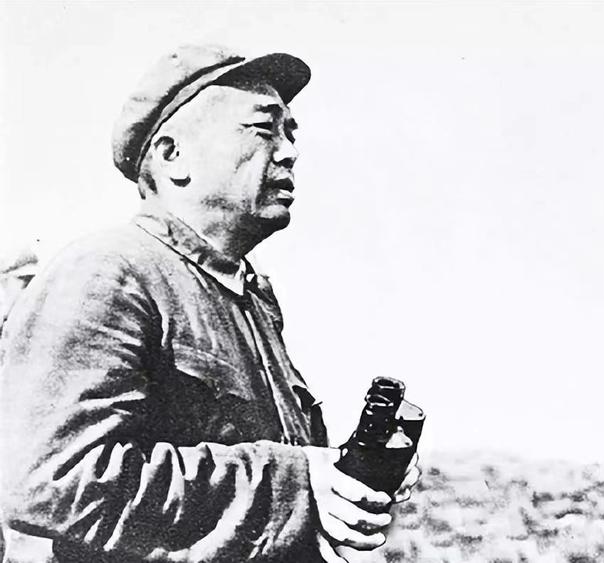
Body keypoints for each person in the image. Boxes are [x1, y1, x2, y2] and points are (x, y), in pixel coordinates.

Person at [0, 44, 419, 562]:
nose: (289, 152)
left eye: (291, 133)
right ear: (172, 155)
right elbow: (52, 480)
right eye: (264, 129)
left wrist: (339, 483)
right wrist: (296, 482)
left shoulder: (250, 298)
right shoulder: (107, 272)